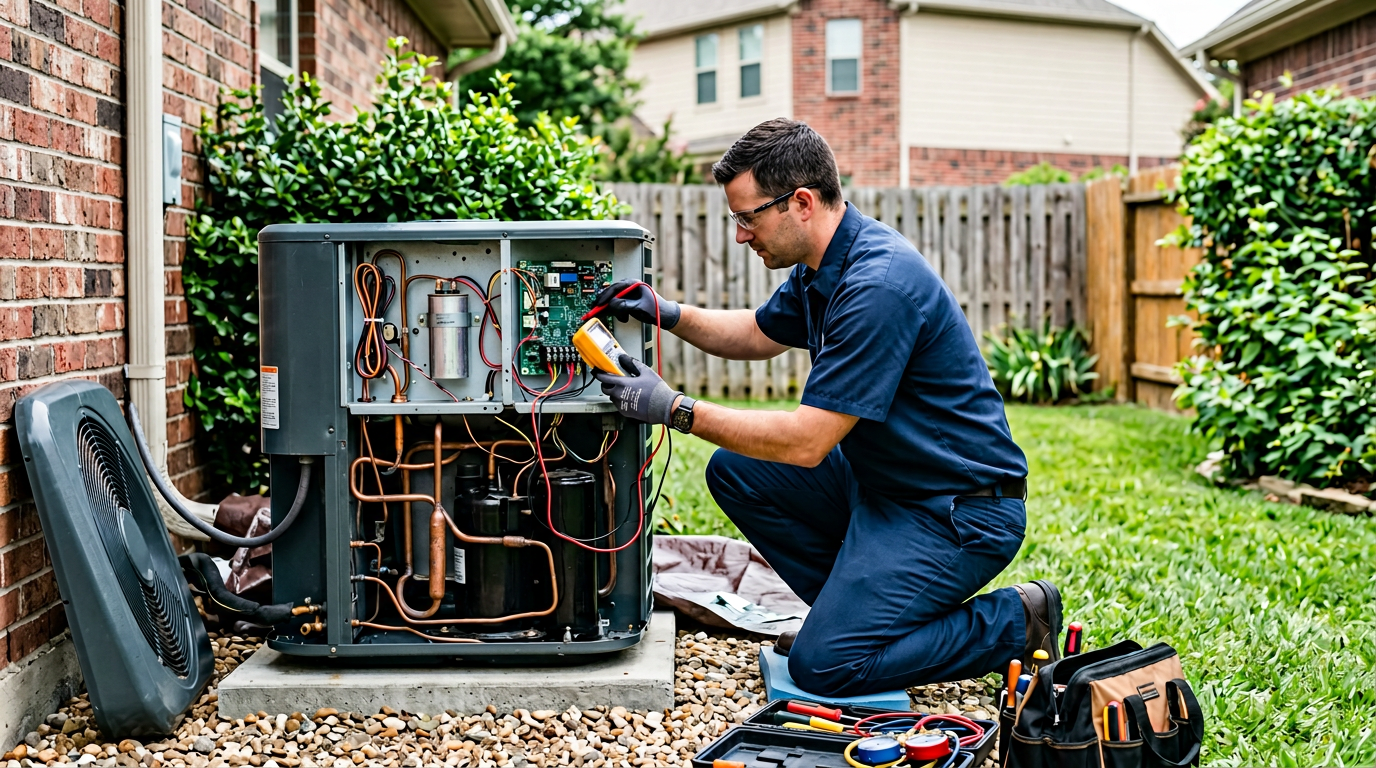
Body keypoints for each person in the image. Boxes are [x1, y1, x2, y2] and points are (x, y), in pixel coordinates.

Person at [588, 118, 1061, 697]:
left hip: (957, 511)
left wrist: (673, 409)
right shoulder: (823, 269)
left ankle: (1017, 622)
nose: (740, 234)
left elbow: (806, 442)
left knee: (826, 667)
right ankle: (859, 618)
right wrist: (666, 311)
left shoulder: (877, 287)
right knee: (739, 474)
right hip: (886, 486)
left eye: (747, 217)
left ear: (801, 202)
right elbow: (757, 334)